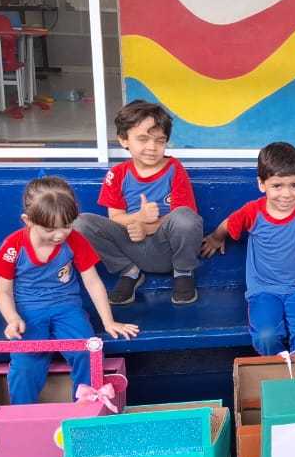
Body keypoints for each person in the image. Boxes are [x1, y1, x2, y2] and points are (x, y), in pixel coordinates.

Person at [0, 177, 139, 404]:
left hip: (67, 308)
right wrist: (12, 319)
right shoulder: (13, 246)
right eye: (50, 229)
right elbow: (3, 292)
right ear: (28, 220)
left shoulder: (75, 240)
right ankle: (22, 413)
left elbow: (93, 282)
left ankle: (87, 408)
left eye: (67, 226)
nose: (59, 235)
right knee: (26, 363)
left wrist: (108, 321)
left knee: (87, 351)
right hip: (29, 312)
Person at [200, 142, 295, 355]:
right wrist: (215, 238)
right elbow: (228, 224)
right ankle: (277, 367)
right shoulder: (252, 212)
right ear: (261, 184)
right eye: (277, 186)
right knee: (266, 336)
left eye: (294, 185)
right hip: (263, 290)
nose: (287, 194)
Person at [73, 101, 203, 306]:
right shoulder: (117, 174)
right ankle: (129, 272)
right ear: (124, 140)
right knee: (80, 223)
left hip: (166, 249)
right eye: (143, 139)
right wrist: (139, 218)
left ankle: (183, 272)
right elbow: (115, 218)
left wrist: (148, 227)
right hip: (130, 247)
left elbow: (184, 215)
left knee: (186, 218)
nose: (152, 147)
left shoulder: (174, 168)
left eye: (160, 140)